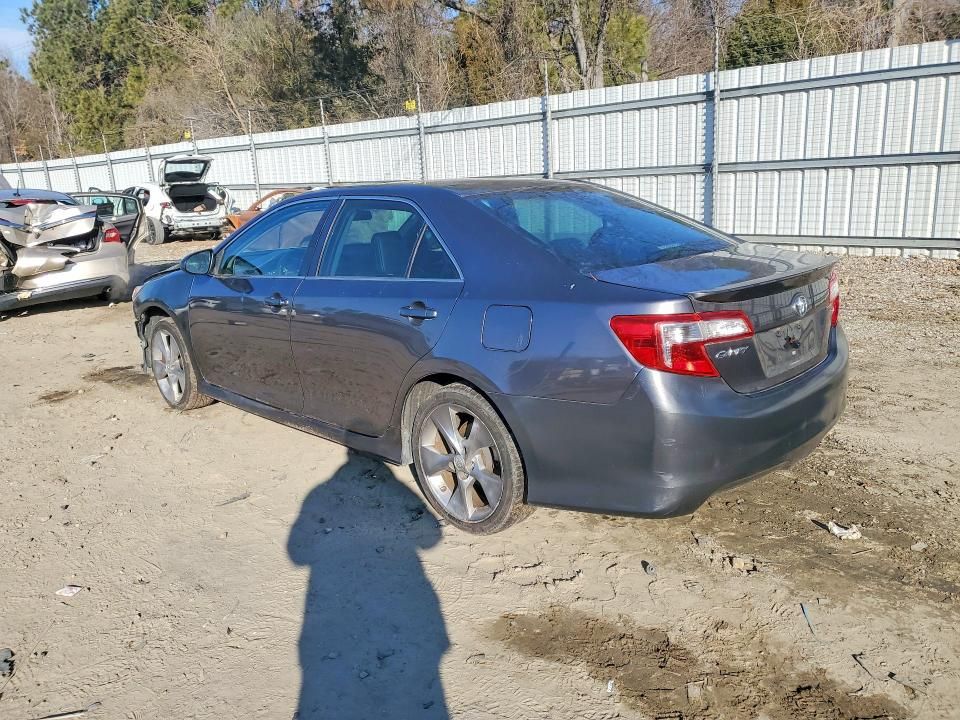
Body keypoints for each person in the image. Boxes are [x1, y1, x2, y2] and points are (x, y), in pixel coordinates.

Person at [288, 450, 450, 719]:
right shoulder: (399, 491)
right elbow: (431, 537)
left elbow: (296, 553)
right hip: (408, 606)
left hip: (331, 613)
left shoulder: (318, 494)